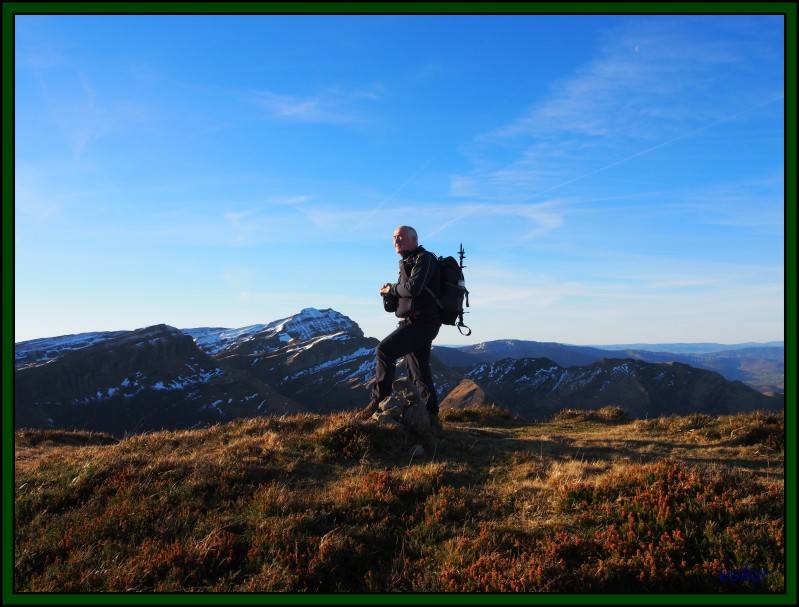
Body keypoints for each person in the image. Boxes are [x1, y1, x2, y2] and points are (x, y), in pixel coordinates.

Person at [357, 225, 443, 431]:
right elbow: (401, 299)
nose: (396, 241)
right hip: (415, 322)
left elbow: (413, 288)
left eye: (401, 237)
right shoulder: (407, 263)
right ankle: (431, 418)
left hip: (424, 322)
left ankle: (379, 400)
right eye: (394, 237)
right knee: (419, 371)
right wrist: (389, 296)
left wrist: (392, 289)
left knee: (385, 350)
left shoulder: (425, 259)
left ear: (414, 240)